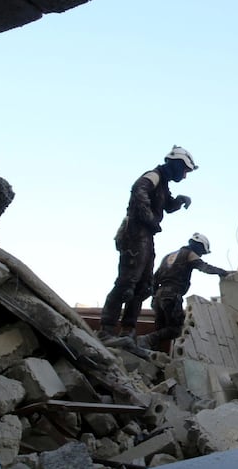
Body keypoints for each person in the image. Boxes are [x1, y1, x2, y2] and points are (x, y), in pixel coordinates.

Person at [98, 145, 197, 344]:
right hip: (135, 232)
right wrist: (148, 217)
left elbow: (167, 206)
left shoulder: (163, 185)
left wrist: (178, 201)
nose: (185, 176)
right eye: (184, 170)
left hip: (146, 234)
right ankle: (106, 329)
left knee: (144, 286)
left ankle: (128, 330)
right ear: (176, 164)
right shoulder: (154, 175)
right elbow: (138, 189)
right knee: (127, 282)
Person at [137, 233, 232, 350]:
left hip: (158, 296)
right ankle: (145, 340)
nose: (200, 255)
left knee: (161, 330)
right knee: (176, 329)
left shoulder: (168, 256)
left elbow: (155, 279)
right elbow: (205, 267)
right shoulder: (189, 254)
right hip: (171, 295)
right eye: (201, 252)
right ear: (198, 246)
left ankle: (151, 354)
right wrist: (224, 272)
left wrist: (154, 296)